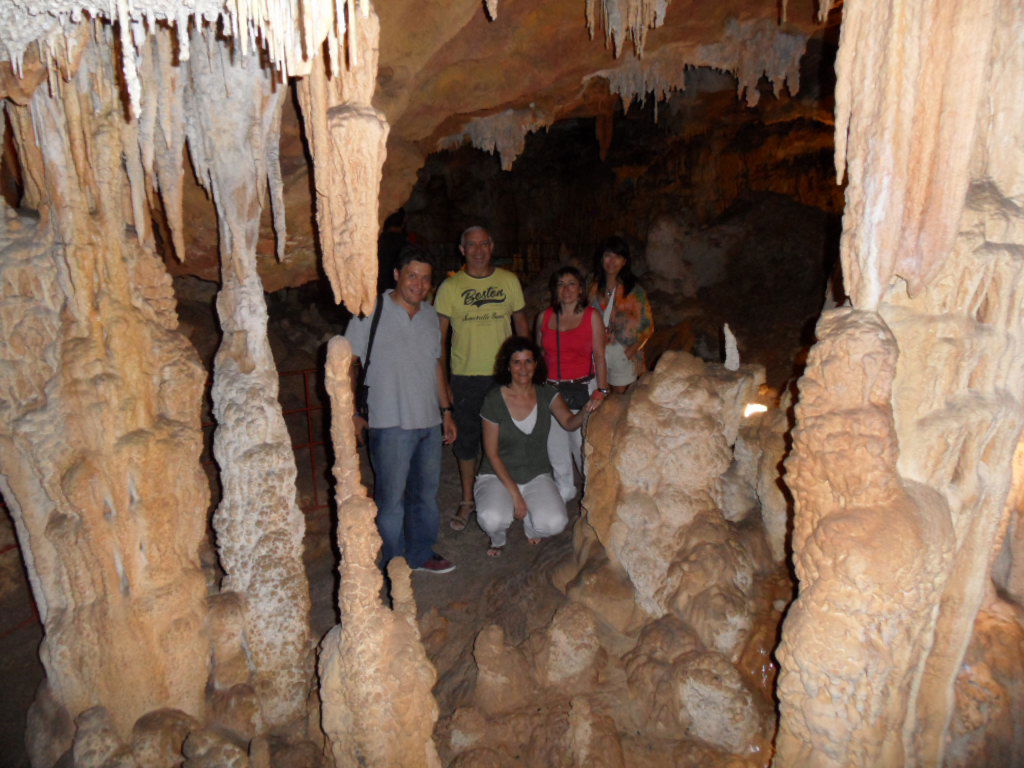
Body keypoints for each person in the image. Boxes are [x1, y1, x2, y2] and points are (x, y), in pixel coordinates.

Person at [346, 244, 458, 575]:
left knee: (425, 495)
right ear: (397, 275)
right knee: (391, 501)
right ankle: (393, 561)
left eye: (425, 279)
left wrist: (446, 410)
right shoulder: (371, 311)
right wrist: (351, 411)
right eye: (412, 276)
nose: (419, 285)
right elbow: (348, 363)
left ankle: (421, 552)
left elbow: (435, 364)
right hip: (388, 420)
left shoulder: (429, 317)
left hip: (428, 420)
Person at [434, 225, 529, 531]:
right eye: (471, 245)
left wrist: (528, 369)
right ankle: (467, 500)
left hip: (505, 374)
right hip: (466, 376)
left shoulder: (508, 281)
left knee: (509, 438)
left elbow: (520, 324)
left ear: (492, 246)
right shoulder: (450, 288)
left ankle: (510, 494)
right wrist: (444, 381)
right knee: (467, 440)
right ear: (462, 249)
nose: (477, 250)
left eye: (483, 244)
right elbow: (440, 339)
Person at [475, 337, 602, 557]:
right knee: (492, 517)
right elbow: (492, 454)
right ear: (507, 365)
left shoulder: (546, 394)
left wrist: (586, 410)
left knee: (554, 522)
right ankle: (498, 538)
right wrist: (516, 496)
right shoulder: (494, 399)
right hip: (497, 474)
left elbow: (569, 423)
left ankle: (530, 526)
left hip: (536, 473)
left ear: (536, 364)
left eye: (528, 361)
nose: (523, 368)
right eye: (516, 362)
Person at [536, 266, 609, 502]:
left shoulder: (591, 316)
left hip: (582, 387)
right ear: (554, 290)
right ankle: (564, 491)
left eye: (571, 284)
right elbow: (538, 356)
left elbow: (599, 355)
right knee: (555, 448)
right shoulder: (544, 317)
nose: (566, 289)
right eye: (560, 284)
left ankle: (592, 498)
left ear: (580, 289)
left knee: (582, 448)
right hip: (552, 389)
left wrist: (602, 389)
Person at [588, 236, 654, 393]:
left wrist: (632, 350)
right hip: (596, 354)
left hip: (622, 355)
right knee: (599, 404)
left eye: (617, 256)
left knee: (619, 404)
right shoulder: (593, 290)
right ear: (601, 259)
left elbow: (648, 327)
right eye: (608, 255)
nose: (612, 261)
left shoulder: (634, 292)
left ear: (624, 261)